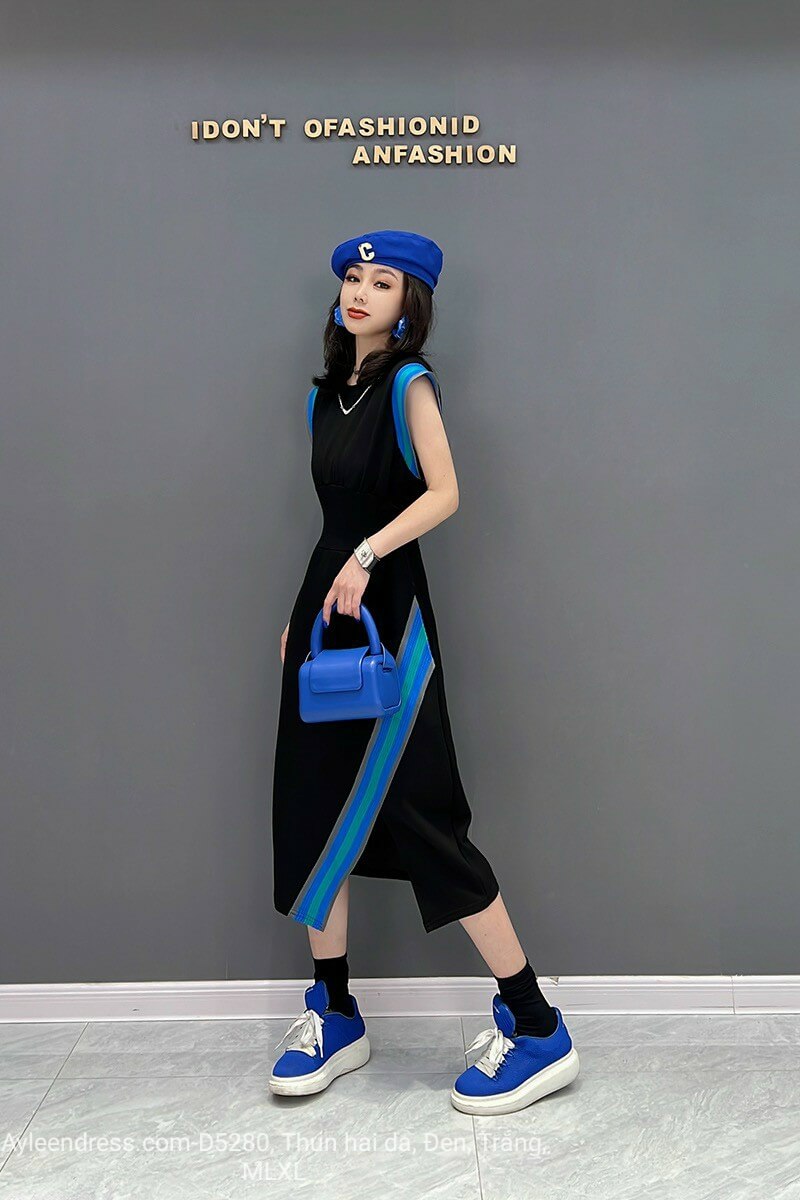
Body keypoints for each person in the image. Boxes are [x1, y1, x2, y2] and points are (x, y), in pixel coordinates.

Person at [269, 229, 580, 1114]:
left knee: (424, 817)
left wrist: (367, 554)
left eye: (383, 282)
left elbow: (445, 493)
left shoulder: (409, 383)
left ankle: (538, 1027)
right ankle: (334, 1012)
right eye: (353, 277)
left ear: (411, 305)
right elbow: (330, 521)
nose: (360, 291)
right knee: (312, 807)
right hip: (327, 613)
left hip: (389, 618)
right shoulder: (323, 396)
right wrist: (297, 616)